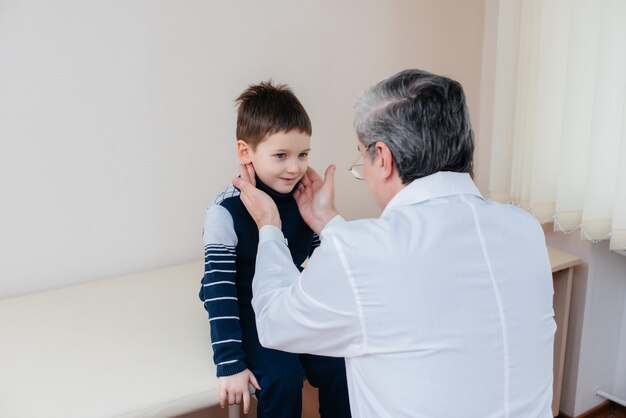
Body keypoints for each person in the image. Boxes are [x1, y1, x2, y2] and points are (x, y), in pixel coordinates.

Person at [232, 69, 556, 417]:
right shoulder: (524, 229)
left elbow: (272, 323)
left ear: (383, 158)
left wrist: (268, 226)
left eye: (362, 158)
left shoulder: (362, 253)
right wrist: (327, 222)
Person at [199, 81, 351, 417]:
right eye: (280, 155)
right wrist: (229, 364)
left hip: (288, 299)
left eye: (302, 155)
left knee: (339, 365)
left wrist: (322, 217)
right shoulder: (224, 212)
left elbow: (321, 264)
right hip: (245, 306)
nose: (294, 167)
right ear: (245, 152)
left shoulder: (302, 198)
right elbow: (219, 290)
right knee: (283, 376)